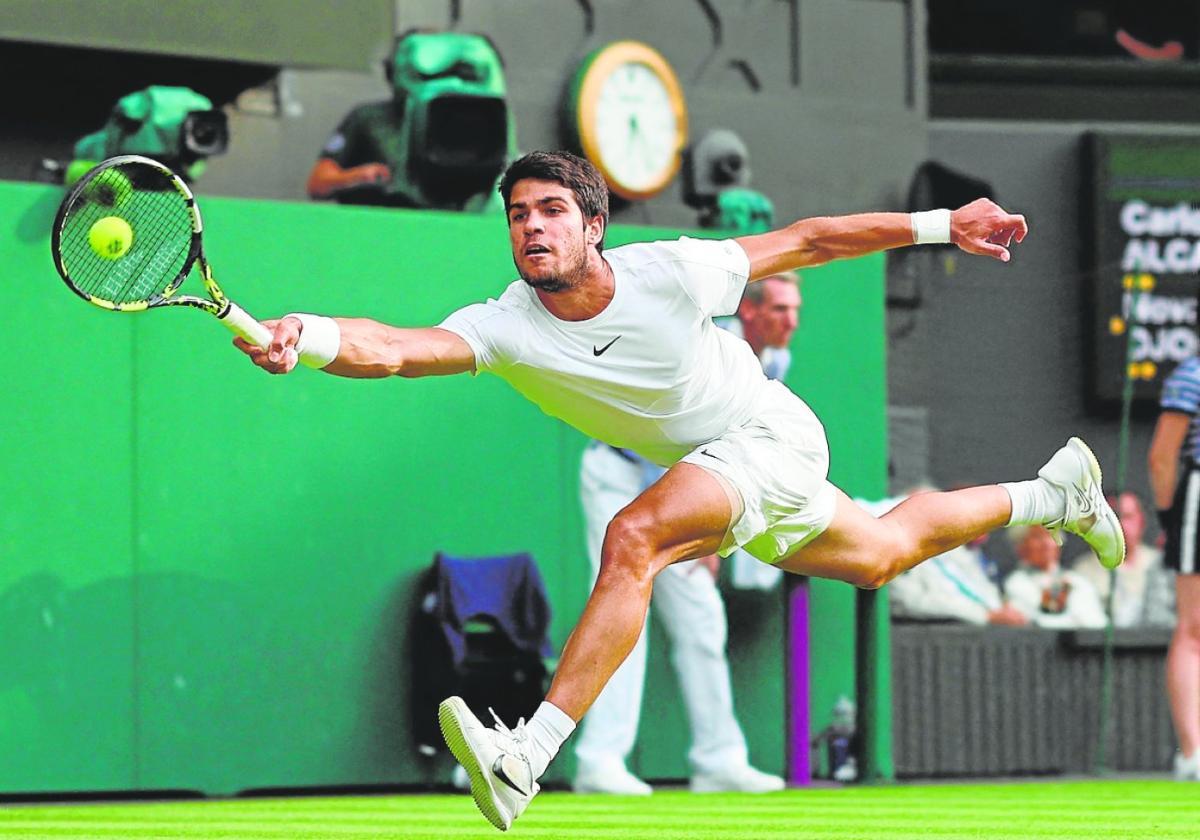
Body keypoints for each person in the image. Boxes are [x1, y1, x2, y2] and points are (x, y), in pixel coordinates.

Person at [234, 151, 1124, 831]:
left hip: (767, 435)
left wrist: (941, 225)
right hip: (721, 467)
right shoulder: (505, 325)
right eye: (517, 217)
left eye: (551, 211)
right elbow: (391, 348)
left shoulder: (672, 271)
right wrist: (303, 334)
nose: (532, 229)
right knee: (882, 554)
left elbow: (809, 240)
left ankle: (527, 754)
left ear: (593, 225)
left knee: (633, 538)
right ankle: (1054, 493)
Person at [572, 272, 800, 796]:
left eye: (795, 310)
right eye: (781, 309)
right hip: (620, 473)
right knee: (622, 608)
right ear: (750, 311)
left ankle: (718, 758)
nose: (791, 321)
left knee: (700, 619)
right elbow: (674, 436)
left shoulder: (777, 361)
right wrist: (698, 523)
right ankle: (598, 761)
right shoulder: (711, 350)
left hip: (678, 484)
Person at [1148, 353, 1200, 780]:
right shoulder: (1191, 376)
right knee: (1194, 626)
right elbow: (1162, 457)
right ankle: (1194, 753)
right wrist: (1169, 515)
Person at [1069, 491, 1175, 628]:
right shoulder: (1083, 571)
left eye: (1128, 517)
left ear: (1142, 521)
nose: (1120, 525)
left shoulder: (1162, 565)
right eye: (1112, 517)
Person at [1003, 525, 1107, 629]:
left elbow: (1096, 623)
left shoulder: (1078, 582)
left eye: (1051, 536)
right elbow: (1037, 622)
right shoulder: (1016, 583)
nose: (1046, 544)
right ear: (1021, 546)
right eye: (1037, 537)